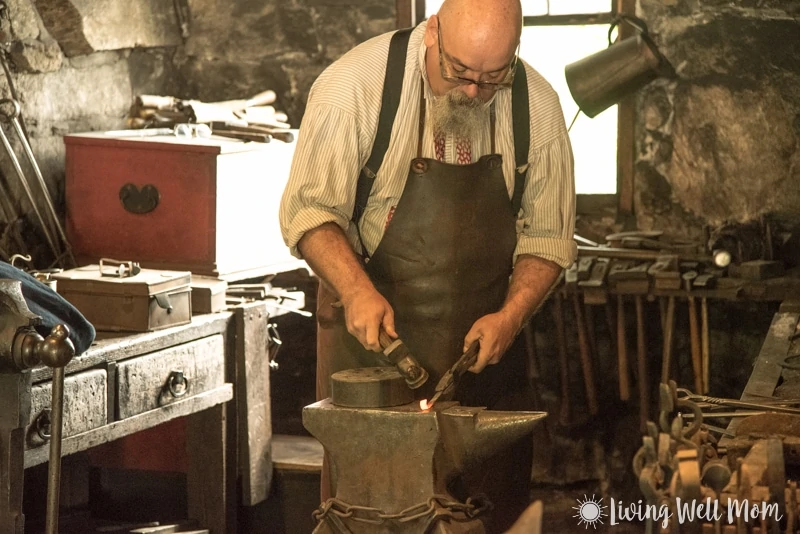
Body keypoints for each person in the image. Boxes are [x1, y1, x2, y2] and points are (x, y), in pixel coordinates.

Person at [279, 0, 576, 529]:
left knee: (487, 510)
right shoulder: (354, 87)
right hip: (371, 342)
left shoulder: (540, 108)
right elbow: (309, 212)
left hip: (484, 344)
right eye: (459, 71)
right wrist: (356, 290)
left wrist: (511, 316)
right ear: (433, 31)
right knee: (372, 511)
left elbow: (548, 239)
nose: (473, 91)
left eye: (492, 77)